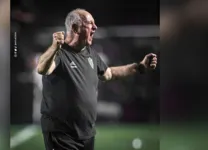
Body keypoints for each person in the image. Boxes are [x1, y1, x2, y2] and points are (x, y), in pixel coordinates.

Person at [37, 8, 157, 150]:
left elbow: (109, 73)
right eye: (90, 23)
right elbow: (42, 68)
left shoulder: (91, 54)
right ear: (75, 28)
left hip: (86, 134)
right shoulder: (59, 53)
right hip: (62, 135)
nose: (95, 27)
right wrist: (53, 47)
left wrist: (139, 67)